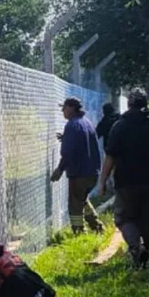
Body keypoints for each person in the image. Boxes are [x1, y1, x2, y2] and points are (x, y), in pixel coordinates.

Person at [96, 88, 149, 269]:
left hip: (126, 181)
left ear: (129, 104)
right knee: (146, 217)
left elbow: (110, 157)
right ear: (146, 104)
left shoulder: (119, 126)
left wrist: (102, 182)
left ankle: (136, 247)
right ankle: (144, 256)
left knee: (123, 218)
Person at [50, 97, 105, 234]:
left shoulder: (71, 125)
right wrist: (66, 137)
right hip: (93, 172)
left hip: (79, 173)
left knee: (75, 205)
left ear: (71, 108)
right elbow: (83, 140)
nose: (63, 111)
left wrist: (59, 169)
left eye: (64, 108)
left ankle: (79, 232)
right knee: (82, 199)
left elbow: (68, 152)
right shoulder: (87, 123)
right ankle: (97, 226)